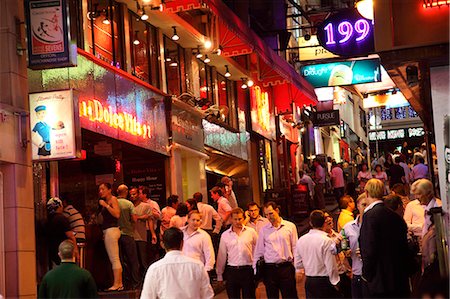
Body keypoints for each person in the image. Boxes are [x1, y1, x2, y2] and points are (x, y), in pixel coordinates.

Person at [359, 179, 410, 298]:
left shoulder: (369, 216)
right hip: (398, 278)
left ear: (366, 193)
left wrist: (366, 274)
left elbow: (369, 249)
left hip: (378, 281)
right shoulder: (395, 216)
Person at [140, 227, 214, 299]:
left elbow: (147, 296)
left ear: (162, 244)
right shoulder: (198, 266)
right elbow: (208, 295)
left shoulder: (154, 269)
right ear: (182, 243)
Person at [253, 201, 298, 299]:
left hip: (286, 267)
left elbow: (295, 247)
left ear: (277, 210)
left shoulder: (290, 226)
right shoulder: (264, 230)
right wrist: (255, 270)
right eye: (266, 215)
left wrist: (298, 268)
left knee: (290, 296)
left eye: (271, 213)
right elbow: (259, 251)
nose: (269, 217)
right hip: (270, 269)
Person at [295, 210, 340, 299]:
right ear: (324, 223)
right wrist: (335, 282)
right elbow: (331, 265)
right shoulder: (326, 240)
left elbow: (298, 264)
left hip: (309, 281)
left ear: (310, 223)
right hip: (324, 281)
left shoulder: (301, 240)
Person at [216, 208, 258, 299]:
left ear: (243, 219)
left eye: (240, 219)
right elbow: (222, 255)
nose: (237, 221)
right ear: (231, 219)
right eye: (235, 219)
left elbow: (258, 249)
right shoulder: (225, 235)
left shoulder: (251, 232)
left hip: (248, 269)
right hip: (232, 271)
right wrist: (219, 274)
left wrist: (256, 267)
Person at [98, 183, 123, 291]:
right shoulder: (106, 201)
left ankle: (117, 283)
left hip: (112, 230)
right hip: (108, 231)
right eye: (99, 189)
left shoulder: (112, 199)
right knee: (114, 258)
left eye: (103, 189)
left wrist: (106, 206)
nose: (100, 191)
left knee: (114, 258)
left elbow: (117, 214)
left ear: (109, 190)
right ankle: (118, 283)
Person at [343, 193, 368, 299]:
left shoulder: (376, 225)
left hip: (373, 276)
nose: (366, 208)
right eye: (364, 205)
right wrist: (344, 249)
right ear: (357, 205)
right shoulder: (349, 227)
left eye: (369, 205)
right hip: (357, 273)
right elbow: (338, 246)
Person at [116, 184, 140, 290]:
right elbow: (134, 219)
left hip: (116, 235)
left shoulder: (113, 202)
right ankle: (135, 284)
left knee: (120, 260)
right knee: (133, 260)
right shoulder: (129, 204)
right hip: (128, 234)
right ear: (126, 192)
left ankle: (124, 283)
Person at [129, 186, 156, 275]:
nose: (132, 196)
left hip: (141, 236)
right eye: (131, 194)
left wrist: (153, 234)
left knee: (143, 260)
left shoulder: (146, 206)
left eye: (134, 194)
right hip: (130, 236)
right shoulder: (129, 206)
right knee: (133, 261)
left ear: (138, 195)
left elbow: (150, 219)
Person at [46, 197, 78, 266]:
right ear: (59, 206)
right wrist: (75, 249)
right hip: (63, 252)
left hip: (51, 252)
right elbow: (70, 236)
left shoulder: (47, 220)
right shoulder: (61, 218)